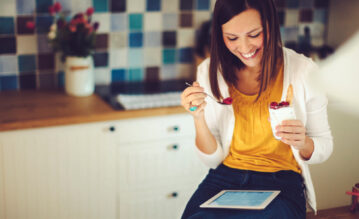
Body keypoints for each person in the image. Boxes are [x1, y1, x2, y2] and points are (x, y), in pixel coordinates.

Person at [180, 0, 333, 218]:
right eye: (232, 38)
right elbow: (212, 161)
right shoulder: (209, 71)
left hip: (281, 180)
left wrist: (303, 143)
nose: (244, 47)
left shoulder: (305, 71)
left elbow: (324, 145)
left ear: (271, 25)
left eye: (254, 34)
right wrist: (198, 117)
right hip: (225, 177)